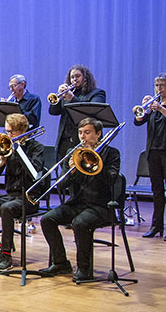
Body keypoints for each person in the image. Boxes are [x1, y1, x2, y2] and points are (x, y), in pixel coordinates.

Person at [38, 117, 121, 283]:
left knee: (79, 223)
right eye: (80, 132)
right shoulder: (73, 153)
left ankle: (84, 268)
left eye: (87, 133)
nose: (83, 137)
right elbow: (61, 186)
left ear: (98, 134)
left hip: (101, 205)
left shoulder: (111, 153)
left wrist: (96, 163)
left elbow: (112, 180)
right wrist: (71, 172)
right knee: (47, 219)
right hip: (77, 203)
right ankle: (61, 262)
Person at [0, 113, 45, 273]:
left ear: (22, 130)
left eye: (11, 132)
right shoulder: (4, 146)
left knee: (7, 208)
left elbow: (35, 173)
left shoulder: (36, 148)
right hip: (10, 195)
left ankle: (6, 256)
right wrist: (1, 162)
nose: (8, 135)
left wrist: (18, 152)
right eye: (6, 131)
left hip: (29, 197)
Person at [134, 72, 166, 241]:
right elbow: (138, 121)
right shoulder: (153, 106)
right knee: (157, 191)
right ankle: (156, 226)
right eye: (157, 85)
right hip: (153, 152)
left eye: (162, 85)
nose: (159, 89)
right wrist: (143, 110)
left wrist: (161, 108)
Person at [49, 64, 106, 160]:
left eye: (78, 76)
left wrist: (72, 98)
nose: (74, 79)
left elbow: (92, 111)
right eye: (72, 77)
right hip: (65, 140)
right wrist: (58, 98)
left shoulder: (97, 93)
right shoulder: (68, 94)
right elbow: (53, 112)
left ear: (85, 78)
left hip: (84, 139)